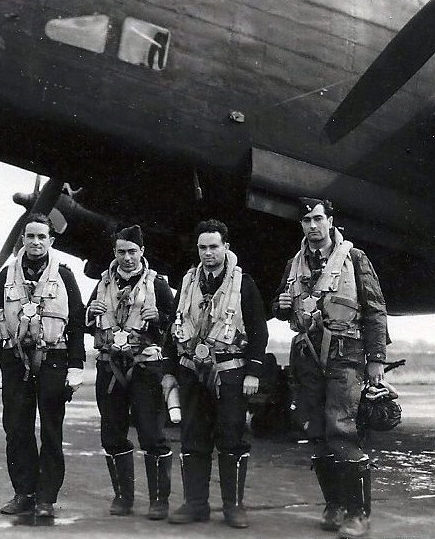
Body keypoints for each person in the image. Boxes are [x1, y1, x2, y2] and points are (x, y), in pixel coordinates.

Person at [272, 198, 388, 538]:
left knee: (343, 428)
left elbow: (375, 310)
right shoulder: (294, 263)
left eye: (318, 218)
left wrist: (377, 360)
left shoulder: (355, 258)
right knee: (316, 430)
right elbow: (283, 308)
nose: (312, 226)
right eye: (306, 220)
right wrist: (279, 305)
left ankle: (357, 512)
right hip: (307, 356)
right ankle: (334, 504)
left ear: (330, 220)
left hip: (346, 354)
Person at [164, 219, 268, 528]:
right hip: (191, 373)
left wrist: (253, 373)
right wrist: (169, 373)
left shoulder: (244, 283)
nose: (208, 253)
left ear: (226, 247)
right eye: (203, 247)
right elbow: (174, 327)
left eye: (214, 246)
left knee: (231, 438)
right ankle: (195, 504)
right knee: (192, 438)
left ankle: (233, 506)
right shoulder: (186, 283)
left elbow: (259, 332)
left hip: (230, 373)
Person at [0, 213, 85, 518]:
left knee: (51, 430)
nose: (36, 242)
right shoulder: (6, 276)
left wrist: (76, 365)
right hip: (14, 360)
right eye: (30, 236)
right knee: (16, 428)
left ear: (51, 241)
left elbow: (78, 322)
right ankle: (24, 493)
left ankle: (46, 498)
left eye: (42, 237)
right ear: (23, 239)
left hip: (53, 359)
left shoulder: (65, 276)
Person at [85, 225, 175, 520]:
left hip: (145, 366)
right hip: (109, 366)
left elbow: (175, 325)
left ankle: (159, 500)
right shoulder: (101, 285)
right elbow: (86, 323)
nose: (127, 258)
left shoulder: (157, 285)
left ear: (142, 252)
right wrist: (91, 313)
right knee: (112, 433)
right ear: (114, 253)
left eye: (132, 252)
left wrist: (159, 318)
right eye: (121, 252)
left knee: (151, 434)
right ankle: (123, 497)